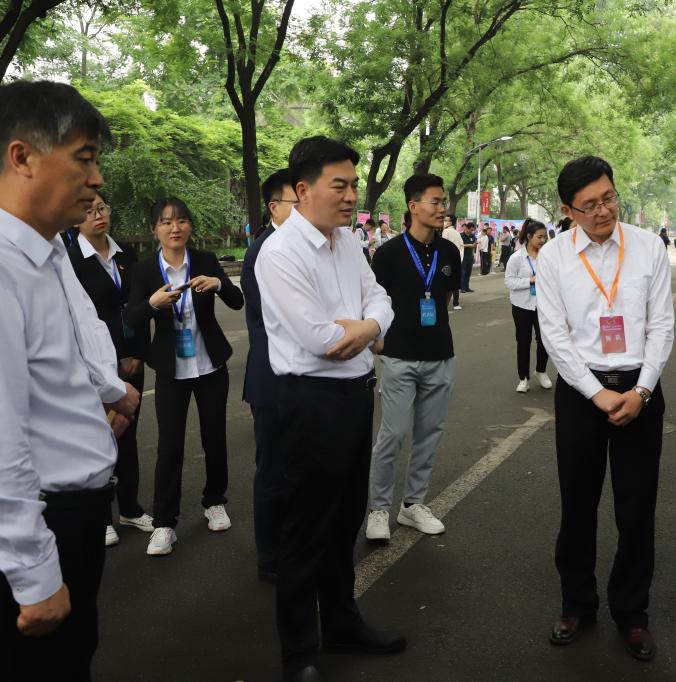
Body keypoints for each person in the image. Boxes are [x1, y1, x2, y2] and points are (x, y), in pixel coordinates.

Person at [0, 80, 140, 681]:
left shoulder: (42, 249)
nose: (97, 179)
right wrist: (34, 575)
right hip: (7, 539)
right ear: (22, 156)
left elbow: (69, 346)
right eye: (84, 159)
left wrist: (109, 394)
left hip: (64, 518)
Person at [256, 136, 405, 682]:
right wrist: (368, 330)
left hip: (355, 395)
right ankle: (298, 652)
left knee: (344, 520)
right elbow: (322, 340)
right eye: (339, 186)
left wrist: (365, 326)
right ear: (303, 189)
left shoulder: (348, 242)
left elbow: (380, 299)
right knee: (306, 530)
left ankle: (342, 623)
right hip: (310, 403)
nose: (350, 196)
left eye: (353, 186)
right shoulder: (280, 253)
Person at [537, 156, 674, 662]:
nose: (603, 211)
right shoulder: (554, 256)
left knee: (637, 509)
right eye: (590, 204)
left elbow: (661, 326)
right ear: (568, 211)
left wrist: (641, 392)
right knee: (578, 504)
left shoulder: (648, 246)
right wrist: (596, 393)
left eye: (609, 198)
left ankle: (632, 614)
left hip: (640, 391)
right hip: (582, 395)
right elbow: (554, 334)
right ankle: (577, 604)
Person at [127, 197, 244, 556]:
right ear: (155, 230)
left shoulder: (205, 261)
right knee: (170, 446)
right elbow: (130, 319)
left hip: (210, 366)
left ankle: (215, 501)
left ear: (190, 225)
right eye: (166, 222)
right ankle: (164, 523)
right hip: (171, 370)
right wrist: (152, 305)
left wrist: (219, 283)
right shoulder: (145, 270)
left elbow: (237, 301)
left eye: (180, 221)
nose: (174, 228)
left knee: (214, 437)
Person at [365, 173, 461, 541]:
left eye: (443, 202)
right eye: (435, 202)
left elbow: (445, 297)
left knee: (429, 433)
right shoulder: (388, 254)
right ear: (413, 206)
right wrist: (378, 341)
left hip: (440, 355)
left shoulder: (449, 251)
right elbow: (374, 301)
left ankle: (412, 505)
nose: (442, 208)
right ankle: (378, 509)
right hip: (400, 357)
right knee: (392, 434)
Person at [68, 190, 154, 547]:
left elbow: (140, 306)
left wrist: (138, 353)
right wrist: (106, 364)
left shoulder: (126, 255)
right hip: (96, 367)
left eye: (102, 208)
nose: (98, 215)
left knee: (128, 434)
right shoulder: (71, 261)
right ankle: (101, 516)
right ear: (76, 219)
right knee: (99, 436)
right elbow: (78, 321)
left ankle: (130, 508)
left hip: (131, 361)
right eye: (89, 211)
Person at [243, 168, 297, 582]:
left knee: (297, 469)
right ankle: (270, 557)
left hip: (299, 379)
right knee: (274, 471)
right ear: (274, 207)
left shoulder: (299, 245)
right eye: (297, 202)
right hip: (273, 379)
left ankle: (293, 544)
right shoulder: (266, 250)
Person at [505, 219, 552, 393]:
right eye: (539, 237)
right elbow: (509, 282)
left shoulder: (548, 257)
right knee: (523, 342)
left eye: (545, 237)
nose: (543, 240)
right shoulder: (516, 258)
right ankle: (523, 378)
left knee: (544, 341)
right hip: (522, 306)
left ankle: (541, 371)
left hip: (544, 306)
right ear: (529, 236)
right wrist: (530, 280)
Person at [441, 215, 465, 309]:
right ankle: (456, 303)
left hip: (447, 261)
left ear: (450, 222)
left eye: (446, 220)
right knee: (454, 282)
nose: (444, 222)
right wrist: (460, 258)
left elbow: (443, 246)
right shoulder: (457, 233)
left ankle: (444, 305)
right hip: (456, 260)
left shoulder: (445, 231)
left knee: (445, 282)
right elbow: (461, 246)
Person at [460, 222, 477, 290]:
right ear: (467, 228)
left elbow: (474, 245)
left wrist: (474, 255)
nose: (471, 231)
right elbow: (460, 245)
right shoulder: (461, 235)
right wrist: (469, 245)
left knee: (468, 272)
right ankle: (462, 288)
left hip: (470, 256)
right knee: (463, 272)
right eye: (471, 230)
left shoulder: (472, 236)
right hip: (463, 256)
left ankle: (467, 287)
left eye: (473, 230)